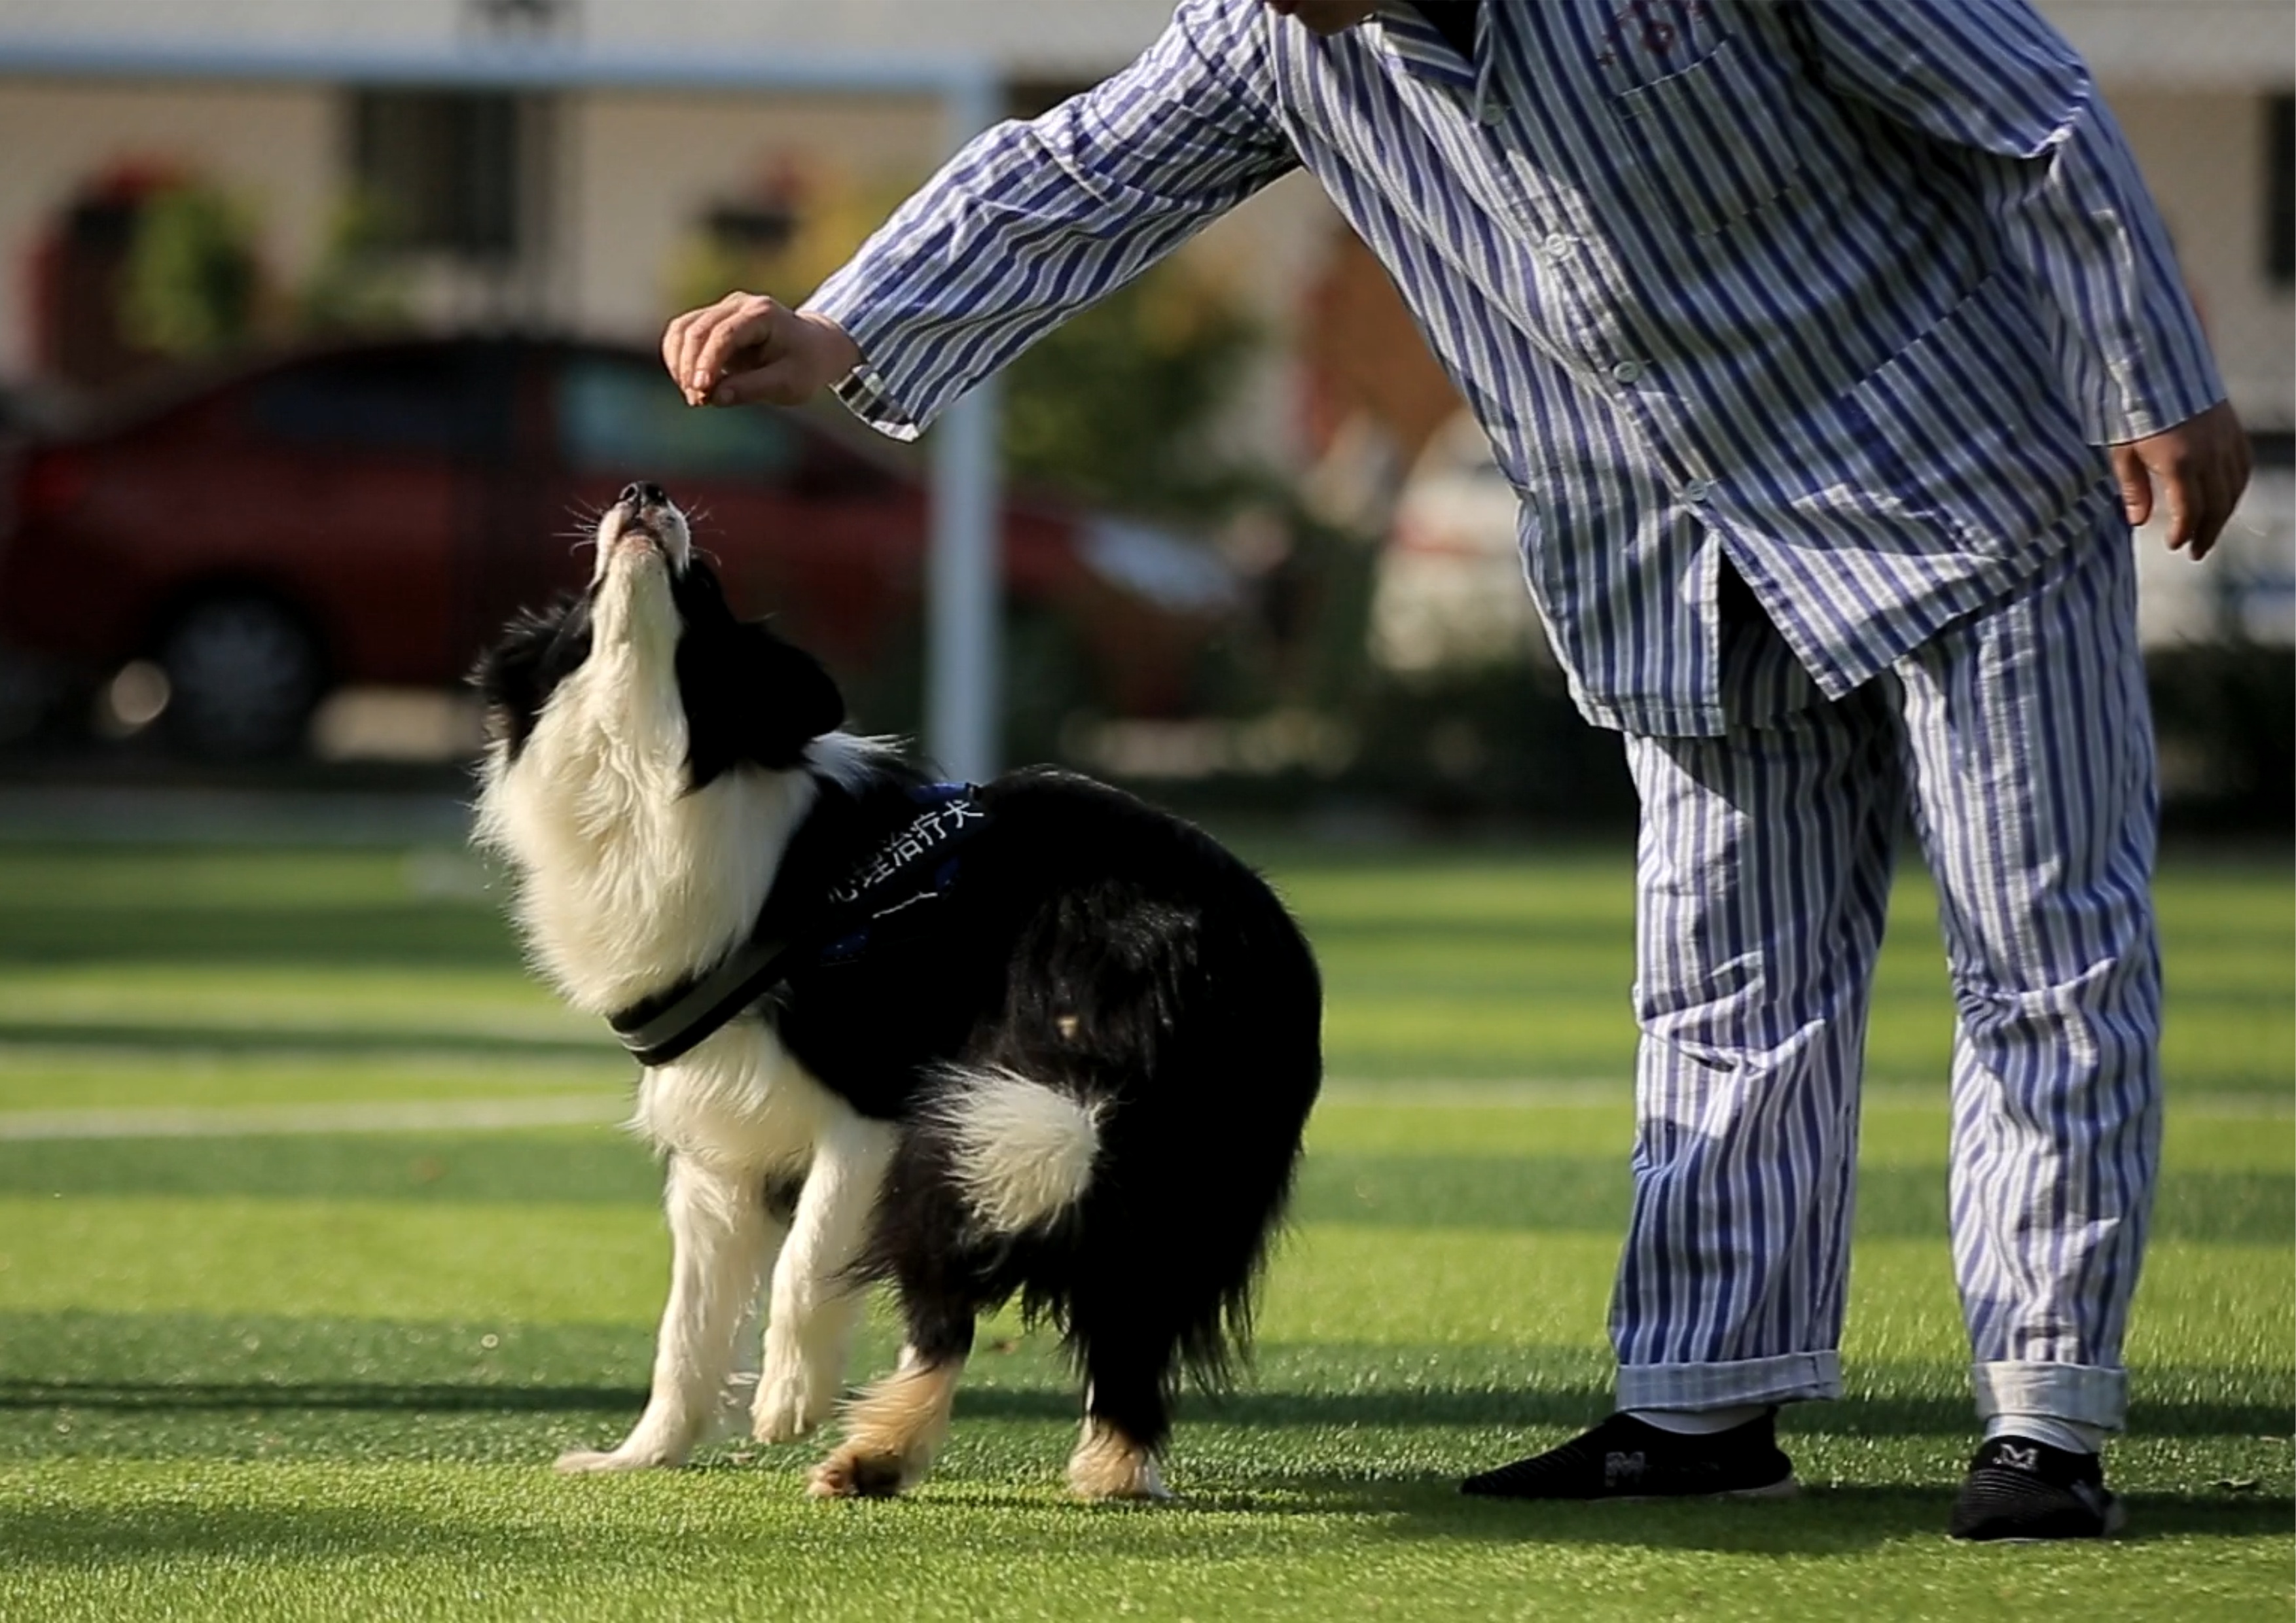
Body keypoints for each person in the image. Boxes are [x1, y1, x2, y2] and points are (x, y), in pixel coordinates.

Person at [658, 0, 2251, 1540]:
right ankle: (1697, 1409)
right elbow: (1079, 167)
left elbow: (2022, 101)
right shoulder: (1271, 34)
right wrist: (840, 322)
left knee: (2041, 952)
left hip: (1953, 474)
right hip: (1671, 545)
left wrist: (2146, 370)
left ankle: (2044, 1415)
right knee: (1722, 976)